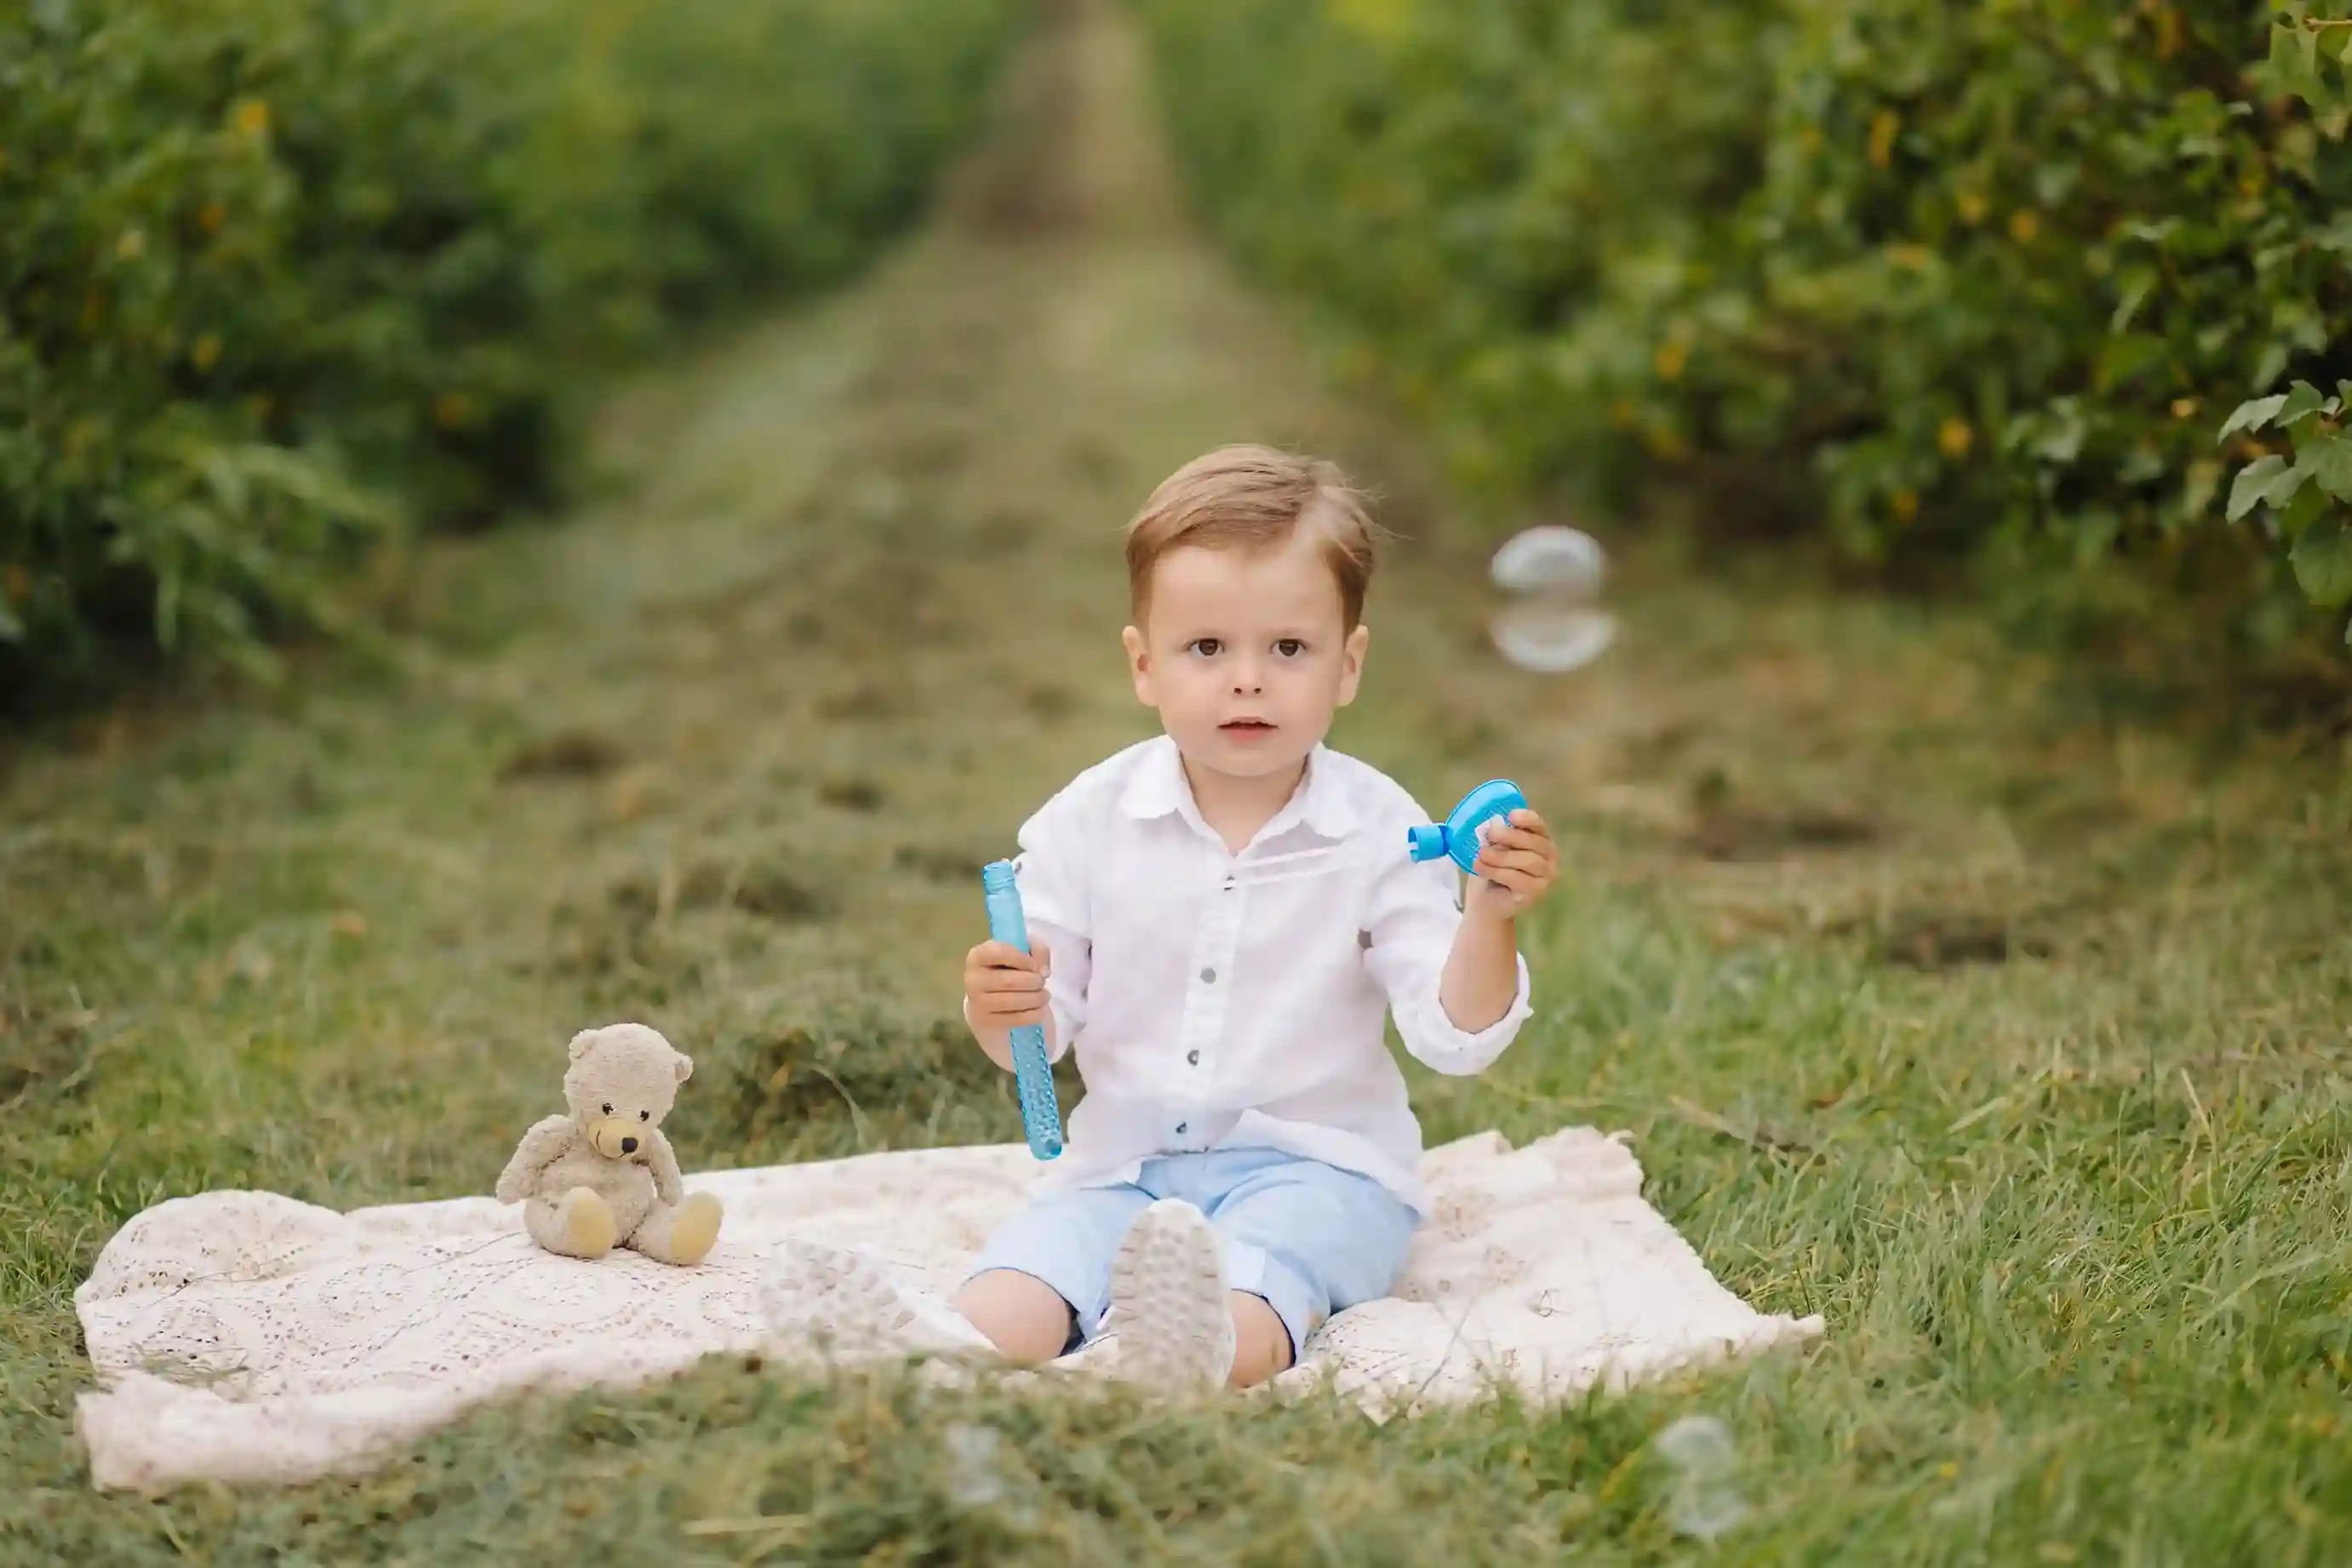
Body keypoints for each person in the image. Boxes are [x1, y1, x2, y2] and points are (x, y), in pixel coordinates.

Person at [760, 444, 1559, 1390]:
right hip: (1120, 1169)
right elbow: (1037, 1034)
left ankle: (1174, 1356)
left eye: (1288, 649)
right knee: (1019, 1290)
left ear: (1347, 665)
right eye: (1207, 648)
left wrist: (1488, 918)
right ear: (1145, 665)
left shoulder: (1385, 831)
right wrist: (1001, 1006)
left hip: (1319, 1175)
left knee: (1253, 1291)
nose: (1247, 680)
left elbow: (1454, 1038)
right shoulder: (1087, 821)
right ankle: (928, 1351)